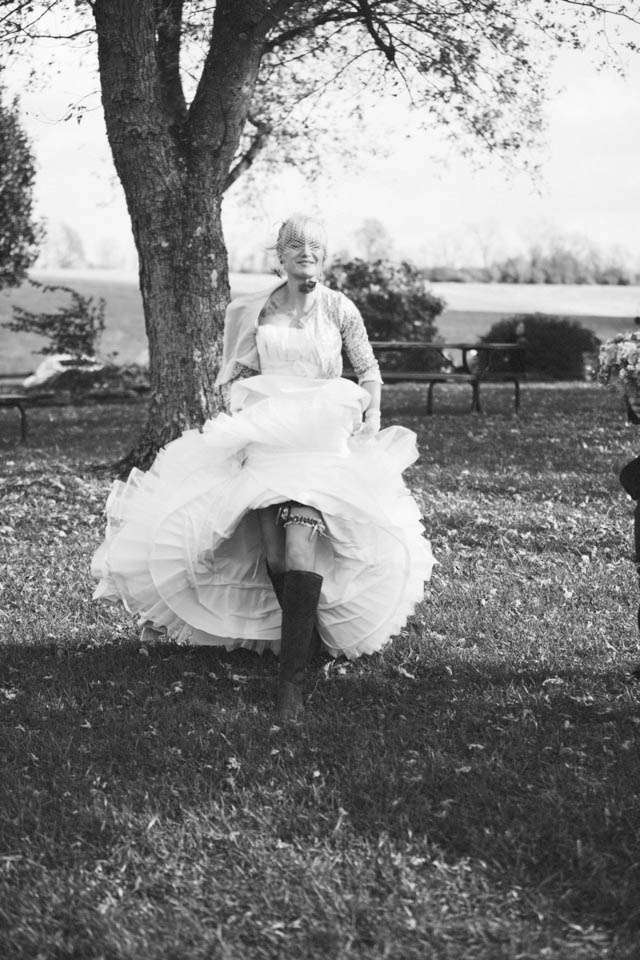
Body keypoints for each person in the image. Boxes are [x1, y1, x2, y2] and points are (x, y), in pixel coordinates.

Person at [92, 214, 434, 720]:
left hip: (319, 444)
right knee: (274, 554)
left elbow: (368, 370)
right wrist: (242, 423)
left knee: (299, 546)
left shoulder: (339, 308)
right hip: (270, 442)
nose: (306, 253)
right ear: (280, 255)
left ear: (325, 255)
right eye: (295, 246)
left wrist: (372, 414)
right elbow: (237, 374)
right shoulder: (255, 309)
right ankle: (307, 645)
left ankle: (290, 684)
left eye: (314, 246)